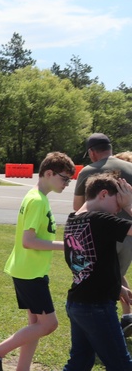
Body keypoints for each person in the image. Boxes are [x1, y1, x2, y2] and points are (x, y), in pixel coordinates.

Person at [33, 172, 132, 371]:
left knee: (80, 361)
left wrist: (117, 287)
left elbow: (90, 260)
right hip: (95, 307)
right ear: (103, 194)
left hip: (80, 302)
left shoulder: (75, 218)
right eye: (117, 199)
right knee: (123, 369)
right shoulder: (101, 220)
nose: (118, 207)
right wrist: (129, 204)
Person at [0, 152, 75, 371]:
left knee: (35, 323)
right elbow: (29, 241)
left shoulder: (37, 196)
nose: (67, 184)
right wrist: (67, 246)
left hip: (29, 270)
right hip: (29, 272)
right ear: (49, 173)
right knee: (49, 324)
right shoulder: (38, 200)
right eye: (65, 178)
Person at [72, 132, 132, 337]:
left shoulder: (88, 171)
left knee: (102, 285)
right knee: (117, 277)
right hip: (129, 237)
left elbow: (78, 207)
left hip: (99, 236)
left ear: (91, 152)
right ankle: (126, 318)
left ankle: (108, 329)